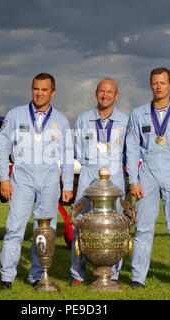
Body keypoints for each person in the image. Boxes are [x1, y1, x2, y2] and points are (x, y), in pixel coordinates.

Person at [0, 73, 74, 290]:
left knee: (45, 231)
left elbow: (68, 155)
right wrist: (4, 178)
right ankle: (7, 278)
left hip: (49, 180)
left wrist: (67, 185)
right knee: (14, 228)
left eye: (44, 90)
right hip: (21, 180)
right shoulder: (15, 115)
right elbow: (2, 149)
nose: (39, 93)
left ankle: (39, 276)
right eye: (35, 89)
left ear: (53, 92)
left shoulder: (61, 120)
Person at [126, 67, 170, 289]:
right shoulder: (139, 113)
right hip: (147, 172)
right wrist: (133, 180)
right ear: (151, 85)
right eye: (155, 83)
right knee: (144, 227)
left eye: (163, 83)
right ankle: (138, 277)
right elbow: (131, 148)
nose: (158, 87)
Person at [70, 78, 130, 286]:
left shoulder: (125, 120)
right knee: (80, 222)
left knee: (116, 226)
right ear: (96, 93)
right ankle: (77, 274)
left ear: (117, 95)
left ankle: (112, 274)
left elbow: (128, 152)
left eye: (110, 92)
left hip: (115, 175)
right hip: (89, 173)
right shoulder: (83, 119)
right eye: (102, 92)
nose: (105, 95)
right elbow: (76, 150)